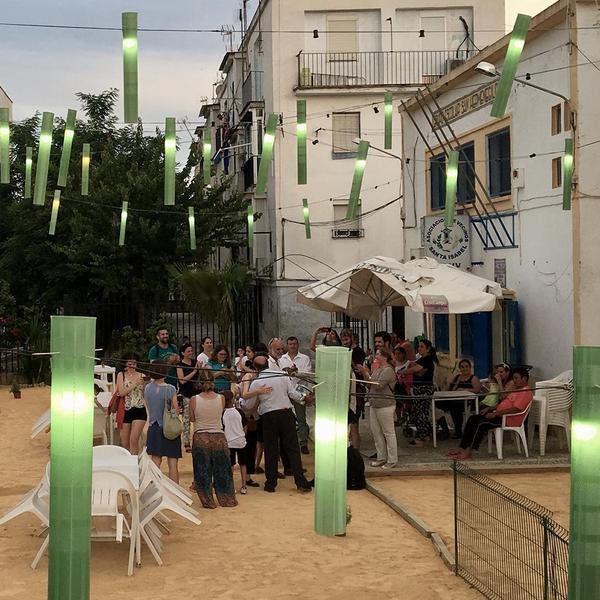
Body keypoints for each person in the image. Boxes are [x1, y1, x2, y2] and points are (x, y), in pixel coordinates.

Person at [247, 355, 312, 493]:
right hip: (286, 413)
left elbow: (249, 405)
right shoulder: (281, 375)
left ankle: (271, 484)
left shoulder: (256, 382)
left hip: (269, 416)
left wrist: (242, 400)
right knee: (293, 449)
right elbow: (293, 393)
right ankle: (301, 482)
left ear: (255, 368)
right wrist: (304, 398)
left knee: (271, 449)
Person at [448, 367, 533, 460]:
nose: (514, 380)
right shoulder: (517, 390)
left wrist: (496, 413)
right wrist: (490, 408)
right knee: (472, 419)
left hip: (507, 419)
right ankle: (462, 448)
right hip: (499, 414)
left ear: (524, 378)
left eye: (516, 378)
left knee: (480, 424)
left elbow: (516, 409)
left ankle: (469, 452)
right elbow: (504, 403)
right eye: (513, 378)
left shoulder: (525, 392)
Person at [189, 371, 237, 508]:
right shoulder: (221, 398)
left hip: (201, 436)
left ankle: (208, 501)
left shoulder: (194, 399)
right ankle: (227, 499)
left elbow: (192, 418)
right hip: (218, 436)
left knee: (202, 471)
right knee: (223, 470)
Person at [357, 348, 398, 469]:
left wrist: (366, 372)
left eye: (379, 353)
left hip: (385, 405)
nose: (376, 355)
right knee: (376, 433)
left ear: (385, 356)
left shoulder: (388, 370)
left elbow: (379, 385)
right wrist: (365, 374)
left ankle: (392, 459)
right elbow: (369, 384)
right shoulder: (377, 369)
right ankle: (381, 457)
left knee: (388, 433)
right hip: (374, 404)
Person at [144, 360, 181, 482]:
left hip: (154, 426)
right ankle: (174, 491)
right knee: (172, 463)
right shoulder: (170, 389)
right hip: (169, 427)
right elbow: (175, 410)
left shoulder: (147, 388)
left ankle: (156, 489)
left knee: (155, 461)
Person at [280, 336, 312, 455]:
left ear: (298, 345)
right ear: (287, 345)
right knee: (286, 418)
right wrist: (287, 372)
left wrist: (296, 372)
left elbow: (308, 373)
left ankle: (303, 443)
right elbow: (279, 374)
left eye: (294, 344)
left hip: (299, 391)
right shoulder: (282, 359)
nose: (292, 346)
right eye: (290, 344)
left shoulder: (304, 358)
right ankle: (287, 443)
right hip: (285, 391)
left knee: (301, 417)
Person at [404, 339, 438, 445]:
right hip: (418, 388)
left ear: (428, 349)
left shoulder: (428, 360)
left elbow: (417, 370)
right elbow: (414, 366)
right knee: (419, 412)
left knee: (421, 413)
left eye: (422, 346)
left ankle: (422, 437)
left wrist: (403, 372)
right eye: (419, 346)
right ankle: (424, 435)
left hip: (424, 388)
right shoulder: (421, 359)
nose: (419, 348)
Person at [438, 359, 481, 438]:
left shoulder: (473, 378)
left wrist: (465, 390)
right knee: (437, 404)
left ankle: (458, 431)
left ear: (470, 368)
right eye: (462, 367)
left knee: (455, 407)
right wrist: (453, 383)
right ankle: (444, 428)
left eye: (466, 366)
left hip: (467, 401)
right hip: (454, 399)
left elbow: (477, 390)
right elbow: (451, 390)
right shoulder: (457, 377)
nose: (464, 369)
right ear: (460, 368)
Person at [116, 352, 146, 454]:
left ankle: (135, 462)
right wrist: (135, 383)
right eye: (130, 363)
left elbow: (145, 394)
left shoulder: (142, 375)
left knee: (133, 440)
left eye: (134, 363)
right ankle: (128, 460)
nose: (132, 366)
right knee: (124, 442)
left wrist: (145, 384)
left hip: (139, 409)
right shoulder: (121, 375)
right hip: (125, 410)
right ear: (125, 364)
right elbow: (121, 392)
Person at [341, 328, 366, 449]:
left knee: (354, 423)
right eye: (343, 340)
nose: (344, 342)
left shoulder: (358, 352)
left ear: (351, 339)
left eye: (346, 339)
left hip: (357, 388)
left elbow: (358, 368)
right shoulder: (344, 350)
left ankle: (355, 451)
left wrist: (348, 356)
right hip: (346, 388)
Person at [222, 390, 249, 495]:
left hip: (229, 441)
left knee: (231, 465)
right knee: (243, 464)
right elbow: (245, 426)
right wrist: (243, 435)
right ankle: (244, 486)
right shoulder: (239, 412)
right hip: (240, 441)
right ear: (232, 399)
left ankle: (230, 486)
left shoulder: (223, 413)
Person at [177, 343, 202, 452]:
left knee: (199, 418)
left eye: (191, 351)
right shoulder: (179, 365)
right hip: (186, 394)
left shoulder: (195, 362)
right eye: (188, 351)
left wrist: (200, 369)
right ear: (183, 353)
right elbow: (182, 380)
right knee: (186, 419)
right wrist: (194, 371)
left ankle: (198, 440)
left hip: (197, 394)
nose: (191, 353)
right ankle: (186, 442)